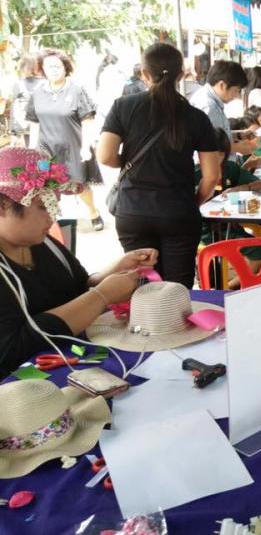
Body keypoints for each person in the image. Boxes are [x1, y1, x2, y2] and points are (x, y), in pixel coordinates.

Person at [0, 147, 157, 378]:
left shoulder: (44, 243)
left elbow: (78, 288)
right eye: (43, 206)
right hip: (26, 386)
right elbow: (11, 349)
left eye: (55, 204)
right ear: (3, 206)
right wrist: (101, 296)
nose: (52, 216)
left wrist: (112, 272)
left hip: (77, 362)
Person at [97, 43, 220, 289]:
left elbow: (105, 156)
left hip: (133, 211)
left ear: (144, 73)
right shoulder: (197, 117)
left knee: (142, 285)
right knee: (178, 288)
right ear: (181, 74)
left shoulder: (123, 106)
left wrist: (130, 163)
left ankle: (145, 315)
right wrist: (193, 202)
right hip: (179, 212)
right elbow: (211, 176)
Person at [25, 49, 105, 231]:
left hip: (73, 149)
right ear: (42, 69)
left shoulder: (76, 91)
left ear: (65, 68)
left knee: (78, 185)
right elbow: (34, 123)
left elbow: (87, 120)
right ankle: (50, 221)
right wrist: (31, 151)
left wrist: (86, 146)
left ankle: (93, 212)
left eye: (57, 66)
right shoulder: (37, 94)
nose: (53, 70)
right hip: (45, 151)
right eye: (48, 66)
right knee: (45, 186)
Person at [196, 129, 261, 287]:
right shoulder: (194, 172)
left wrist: (240, 188)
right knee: (260, 251)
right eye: (212, 154)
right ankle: (232, 286)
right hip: (204, 231)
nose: (216, 159)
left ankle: (232, 285)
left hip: (229, 227)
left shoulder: (229, 168)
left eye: (221, 155)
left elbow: (260, 184)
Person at [190, 60, 247, 143]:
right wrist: (244, 147)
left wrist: (239, 135)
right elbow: (214, 145)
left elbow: (216, 136)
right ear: (222, 85)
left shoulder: (204, 95)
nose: (236, 96)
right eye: (236, 91)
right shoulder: (210, 107)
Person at [10, 55, 42, 147]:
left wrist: (14, 133)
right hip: (40, 126)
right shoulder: (45, 83)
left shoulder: (18, 84)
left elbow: (15, 110)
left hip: (24, 125)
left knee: (27, 153)